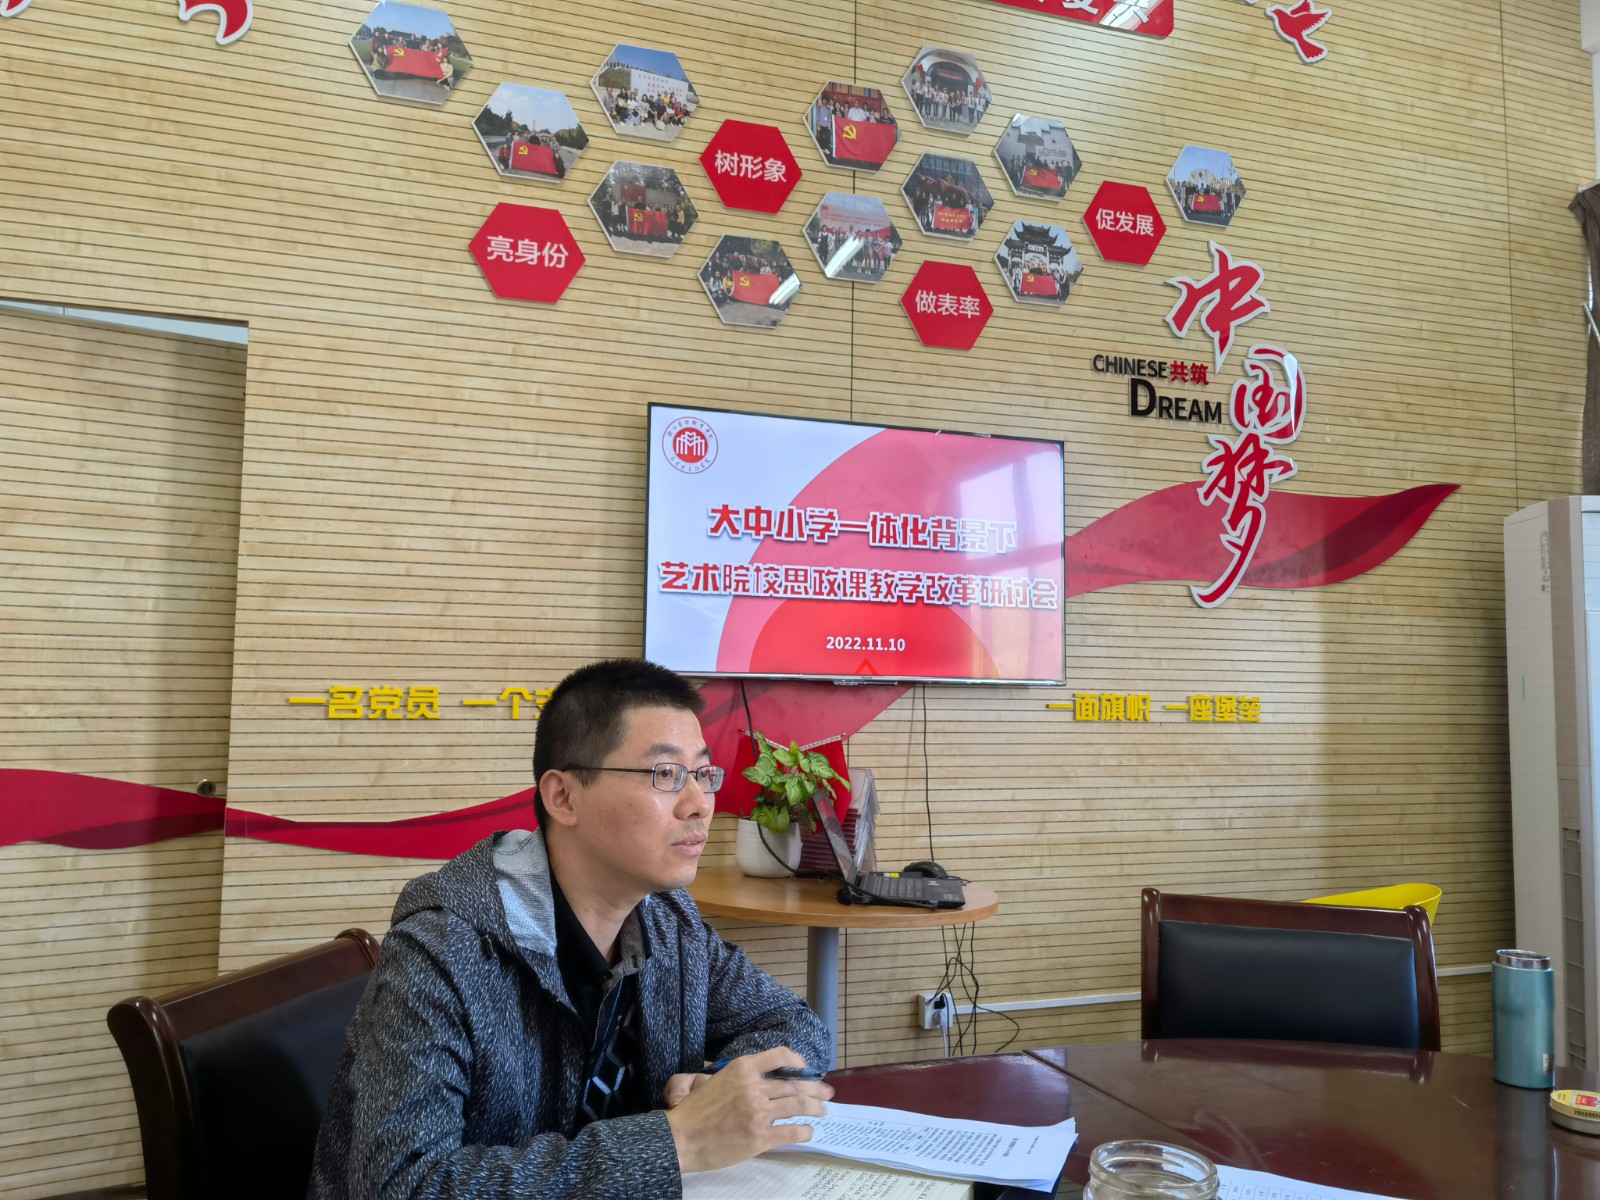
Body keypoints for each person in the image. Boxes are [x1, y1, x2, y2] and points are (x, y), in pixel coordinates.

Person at [309, 659, 832, 1200]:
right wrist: (675, 1142)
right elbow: (402, 1185)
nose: (700, 805)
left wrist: (723, 1085)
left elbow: (795, 1025)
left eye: (702, 774)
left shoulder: (667, 918)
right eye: (665, 774)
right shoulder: (445, 947)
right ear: (563, 797)